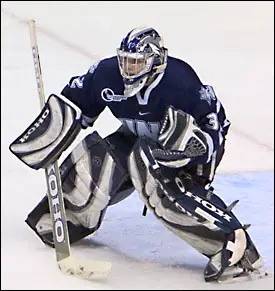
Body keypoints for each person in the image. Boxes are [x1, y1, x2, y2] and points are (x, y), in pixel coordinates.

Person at [12, 26, 265, 282]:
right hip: (137, 139)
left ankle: (234, 245)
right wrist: (49, 133)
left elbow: (213, 129)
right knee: (102, 156)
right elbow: (75, 102)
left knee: (150, 171)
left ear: (155, 62)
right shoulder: (107, 75)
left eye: (136, 63)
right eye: (125, 61)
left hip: (180, 151)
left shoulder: (182, 83)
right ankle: (72, 218)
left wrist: (194, 156)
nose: (127, 69)